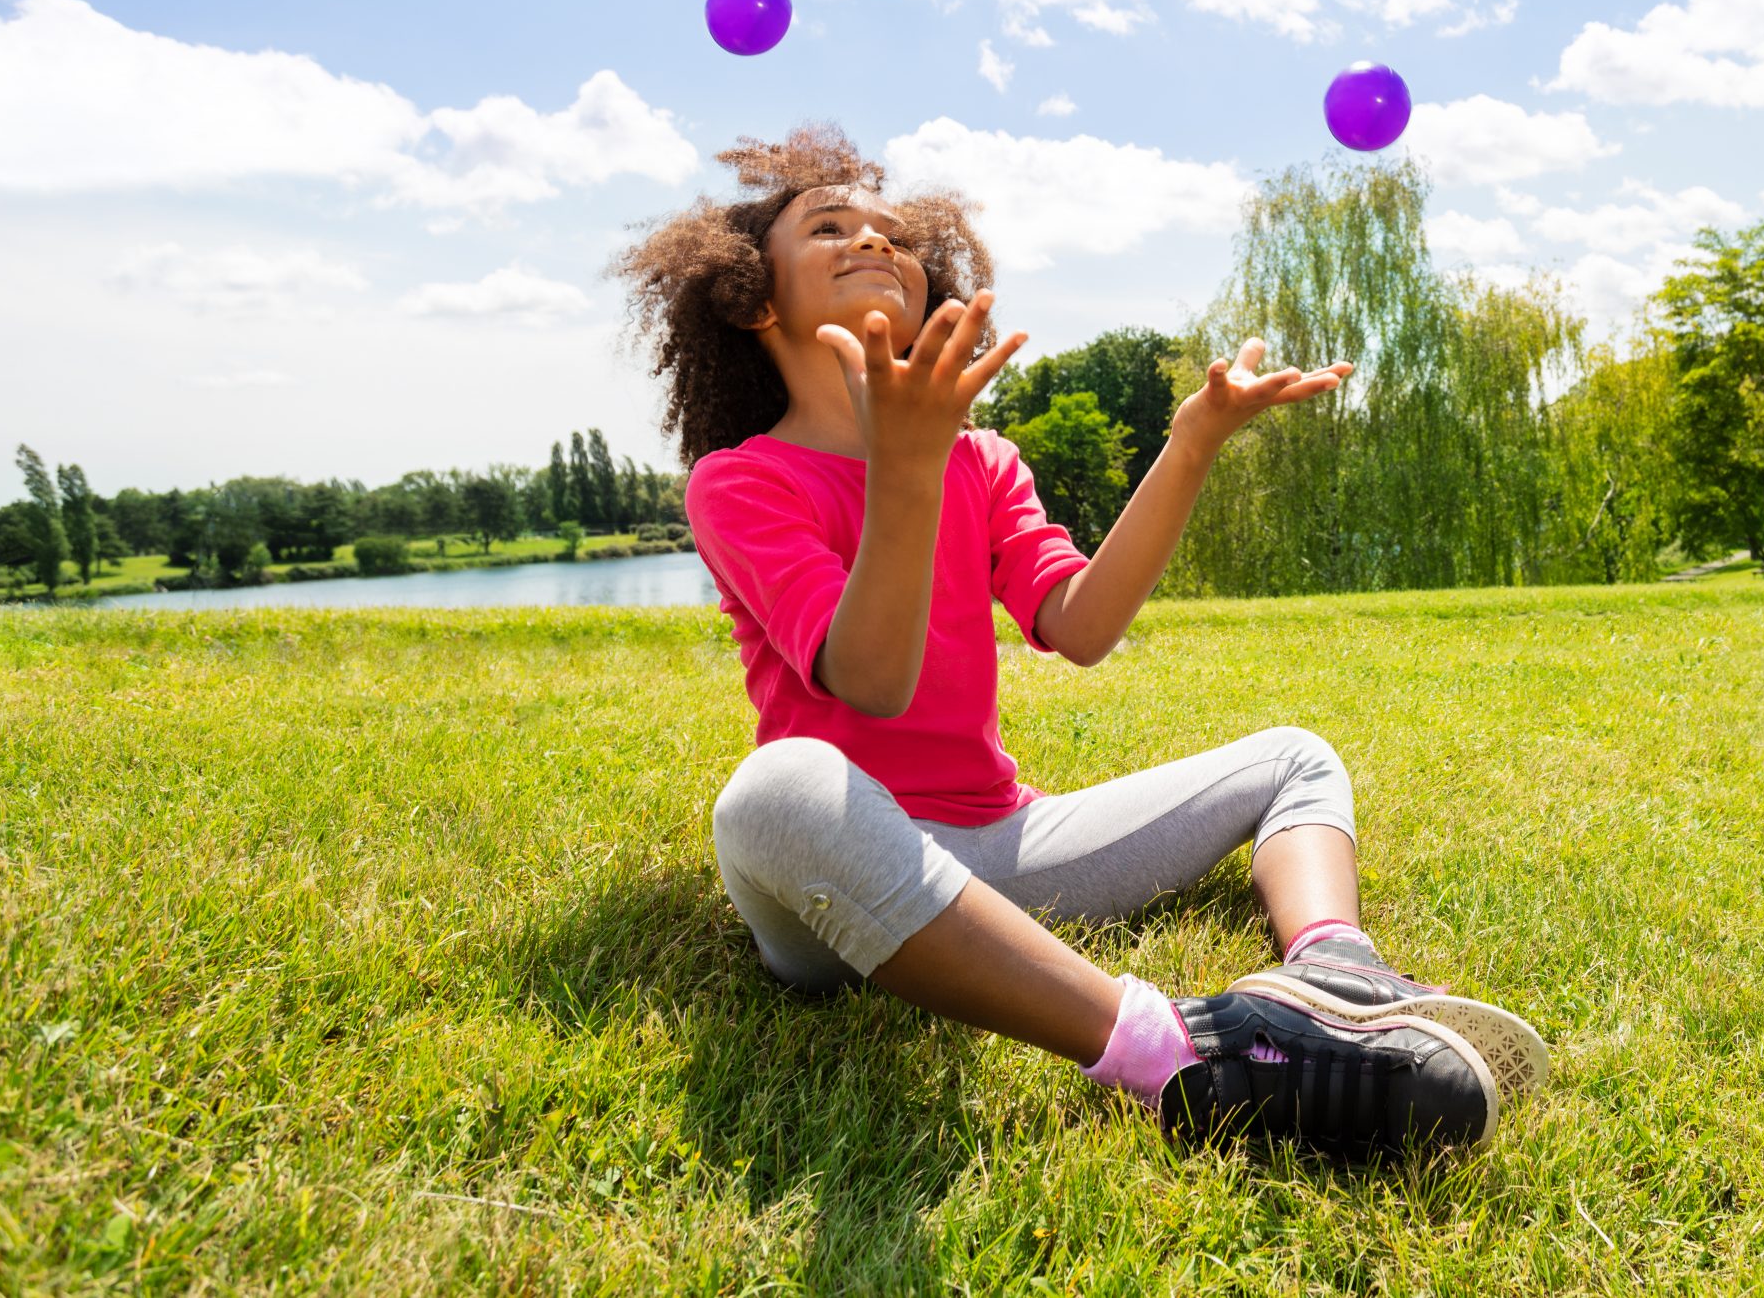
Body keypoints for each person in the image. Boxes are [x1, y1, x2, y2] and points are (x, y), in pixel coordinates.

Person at [613, 125, 1545, 1159]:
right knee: (774, 791)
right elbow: (869, 681)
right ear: (754, 296)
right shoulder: (742, 482)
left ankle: (1337, 970)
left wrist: (1189, 446)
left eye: (894, 237)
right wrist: (907, 466)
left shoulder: (985, 462)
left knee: (1295, 757)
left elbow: (1082, 625)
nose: (874, 242)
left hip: (1001, 848)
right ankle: (1179, 1053)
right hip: (838, 890)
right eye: (829, 228)